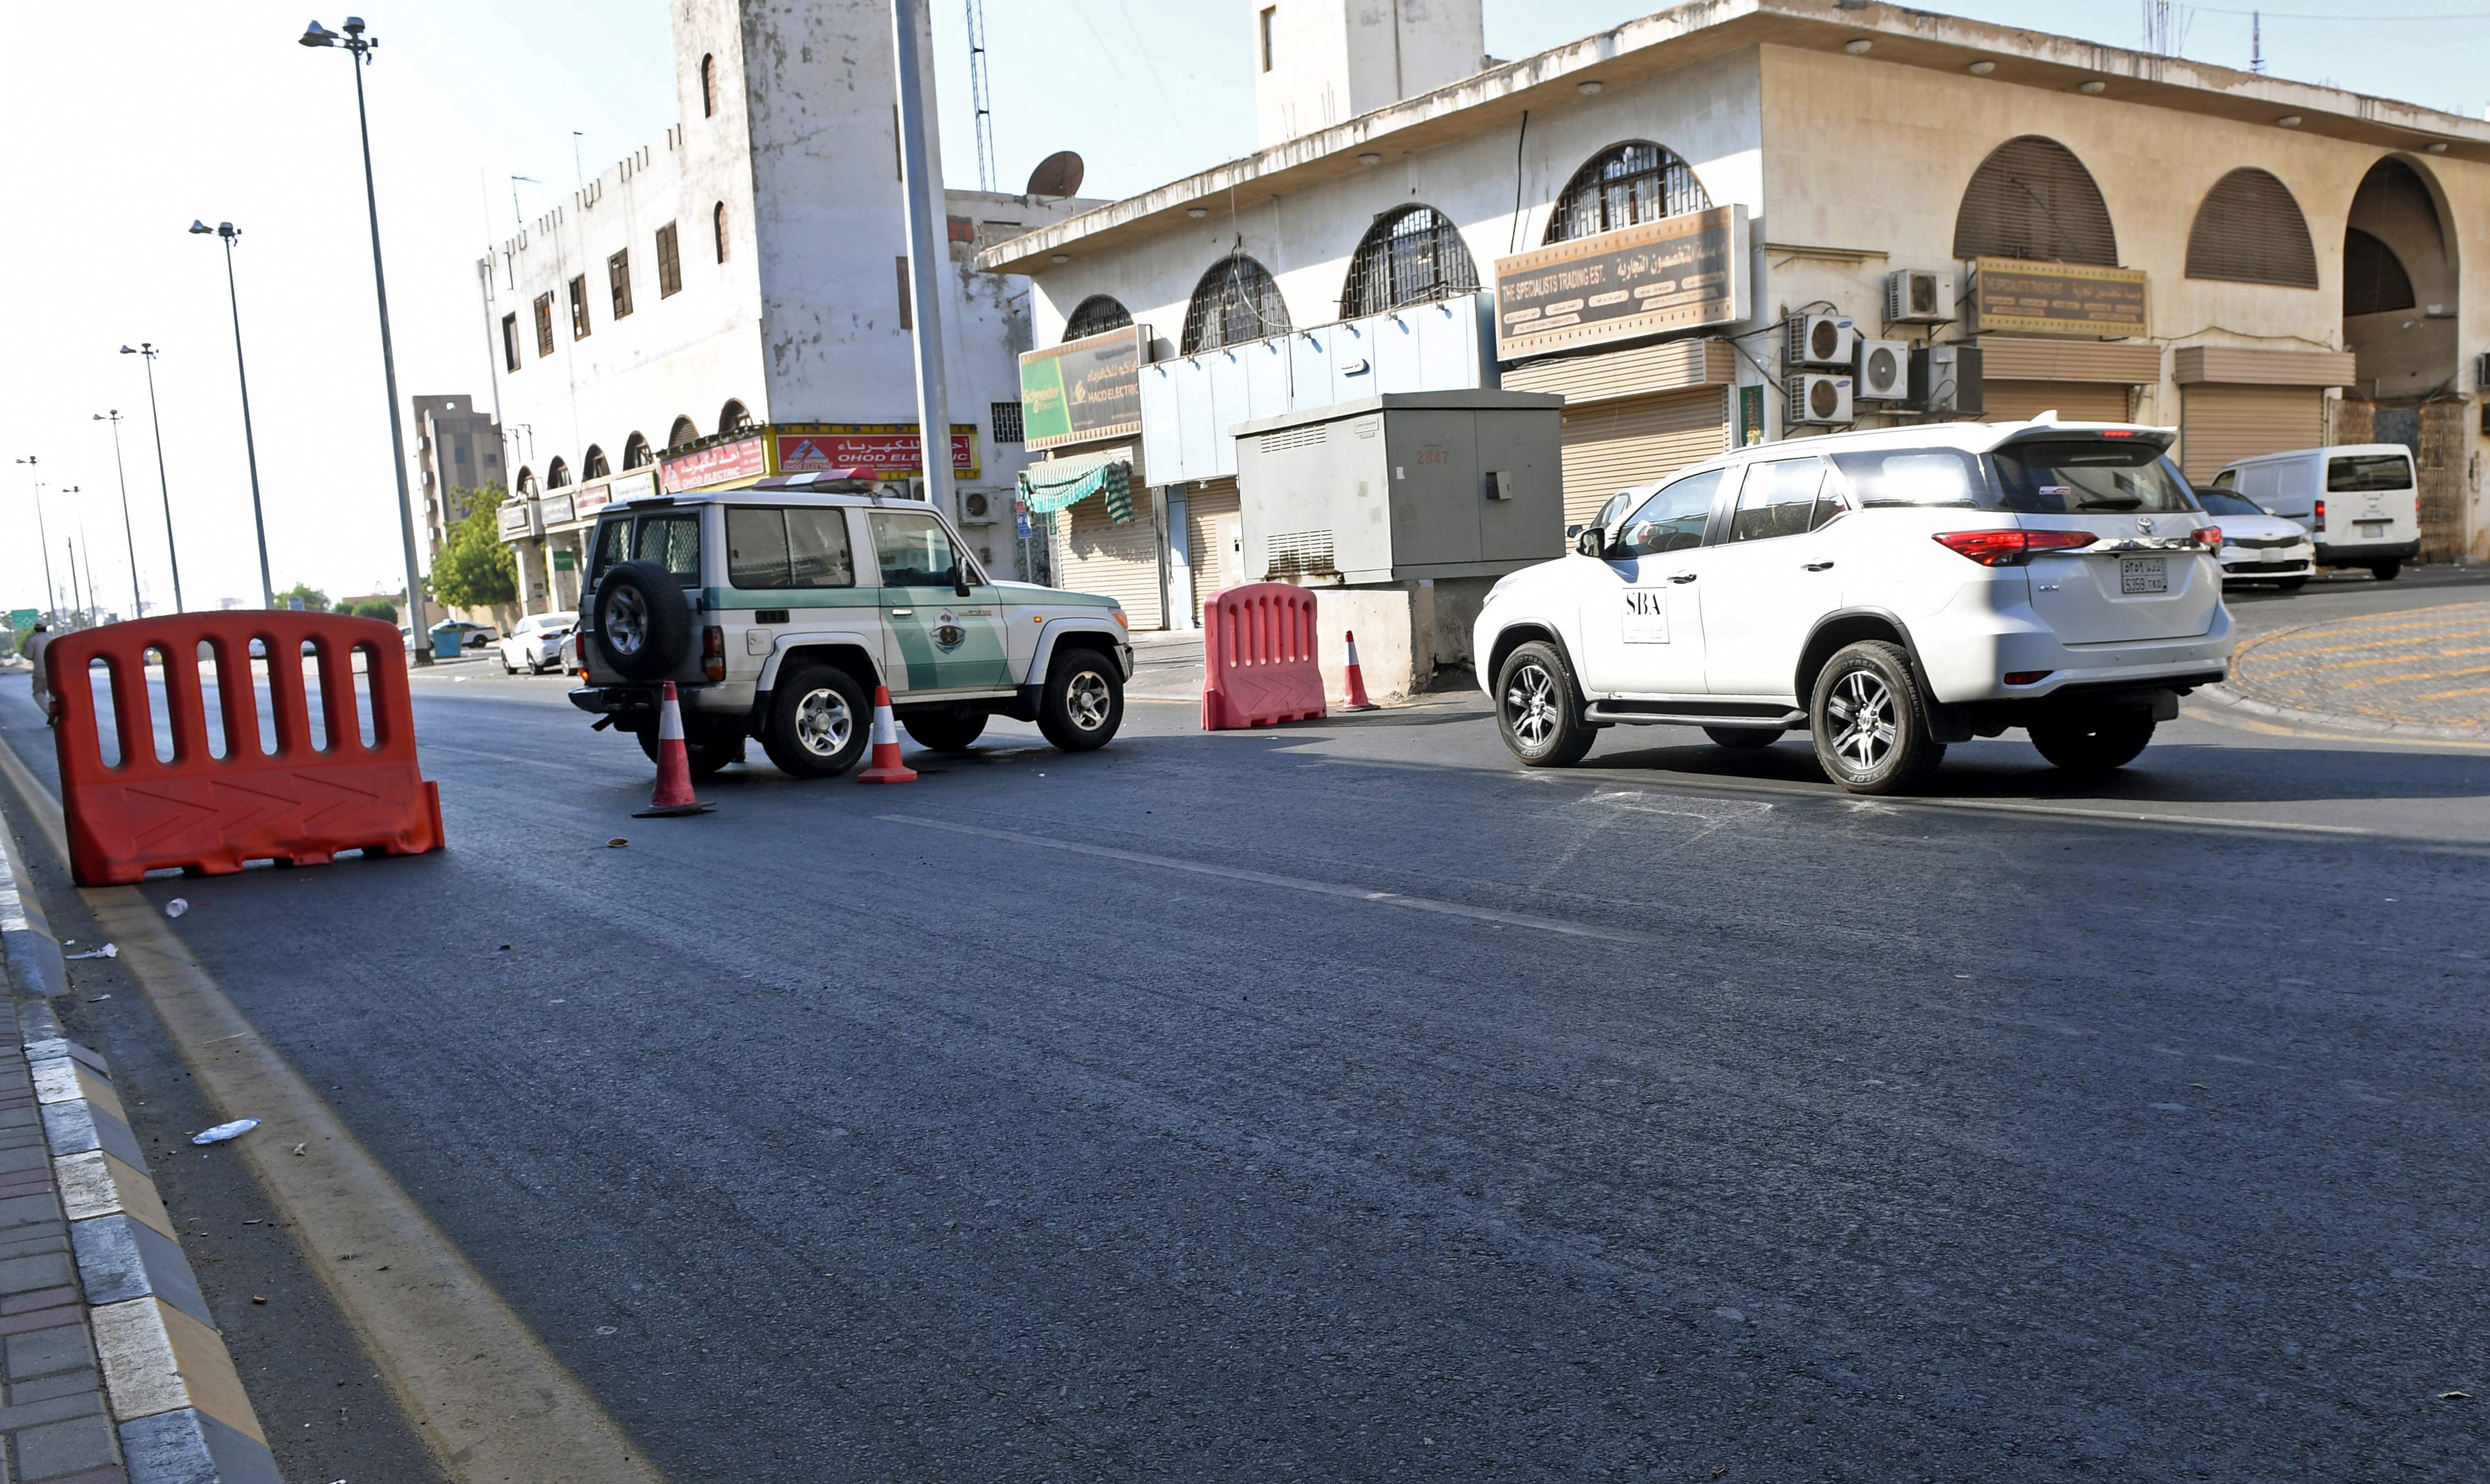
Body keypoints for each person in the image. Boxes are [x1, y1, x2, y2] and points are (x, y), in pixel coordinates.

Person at [22, 620, 53, 724]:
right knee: (54, 693)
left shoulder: (32, 641)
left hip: (40, 671)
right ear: (46, 628)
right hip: (54, 671)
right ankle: (57, 713)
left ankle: (50, 711)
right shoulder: (52, 639)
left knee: (38, 693)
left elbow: (28, 655)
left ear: (35, 629)